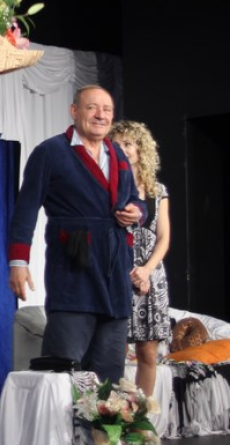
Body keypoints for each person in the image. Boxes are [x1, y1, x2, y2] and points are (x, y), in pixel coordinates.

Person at [7, 85, 146, 385]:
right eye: (92, 107)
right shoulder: (51, 152)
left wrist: (137, 211)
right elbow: (25, 209)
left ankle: (104, 418)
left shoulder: (117, 154)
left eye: (107, 110)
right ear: (74, 111)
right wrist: (18, 262)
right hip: (74, 270)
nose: (100, 115)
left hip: (115, 275)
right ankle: (59, 419)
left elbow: (136, 199)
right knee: (63, 371)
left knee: (109, 376)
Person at [110, 120, 171, 397]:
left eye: (128, 143)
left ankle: (139, 415)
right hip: (117, 272)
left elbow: (163, 238)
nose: (123, 149)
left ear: (140, 149)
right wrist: (126, 270)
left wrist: (146, 270)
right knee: (114, 349)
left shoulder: (158, 191)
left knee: (147, 353)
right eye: (117, 144)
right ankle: (110, 413)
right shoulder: (109, 187)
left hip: (151, 275)